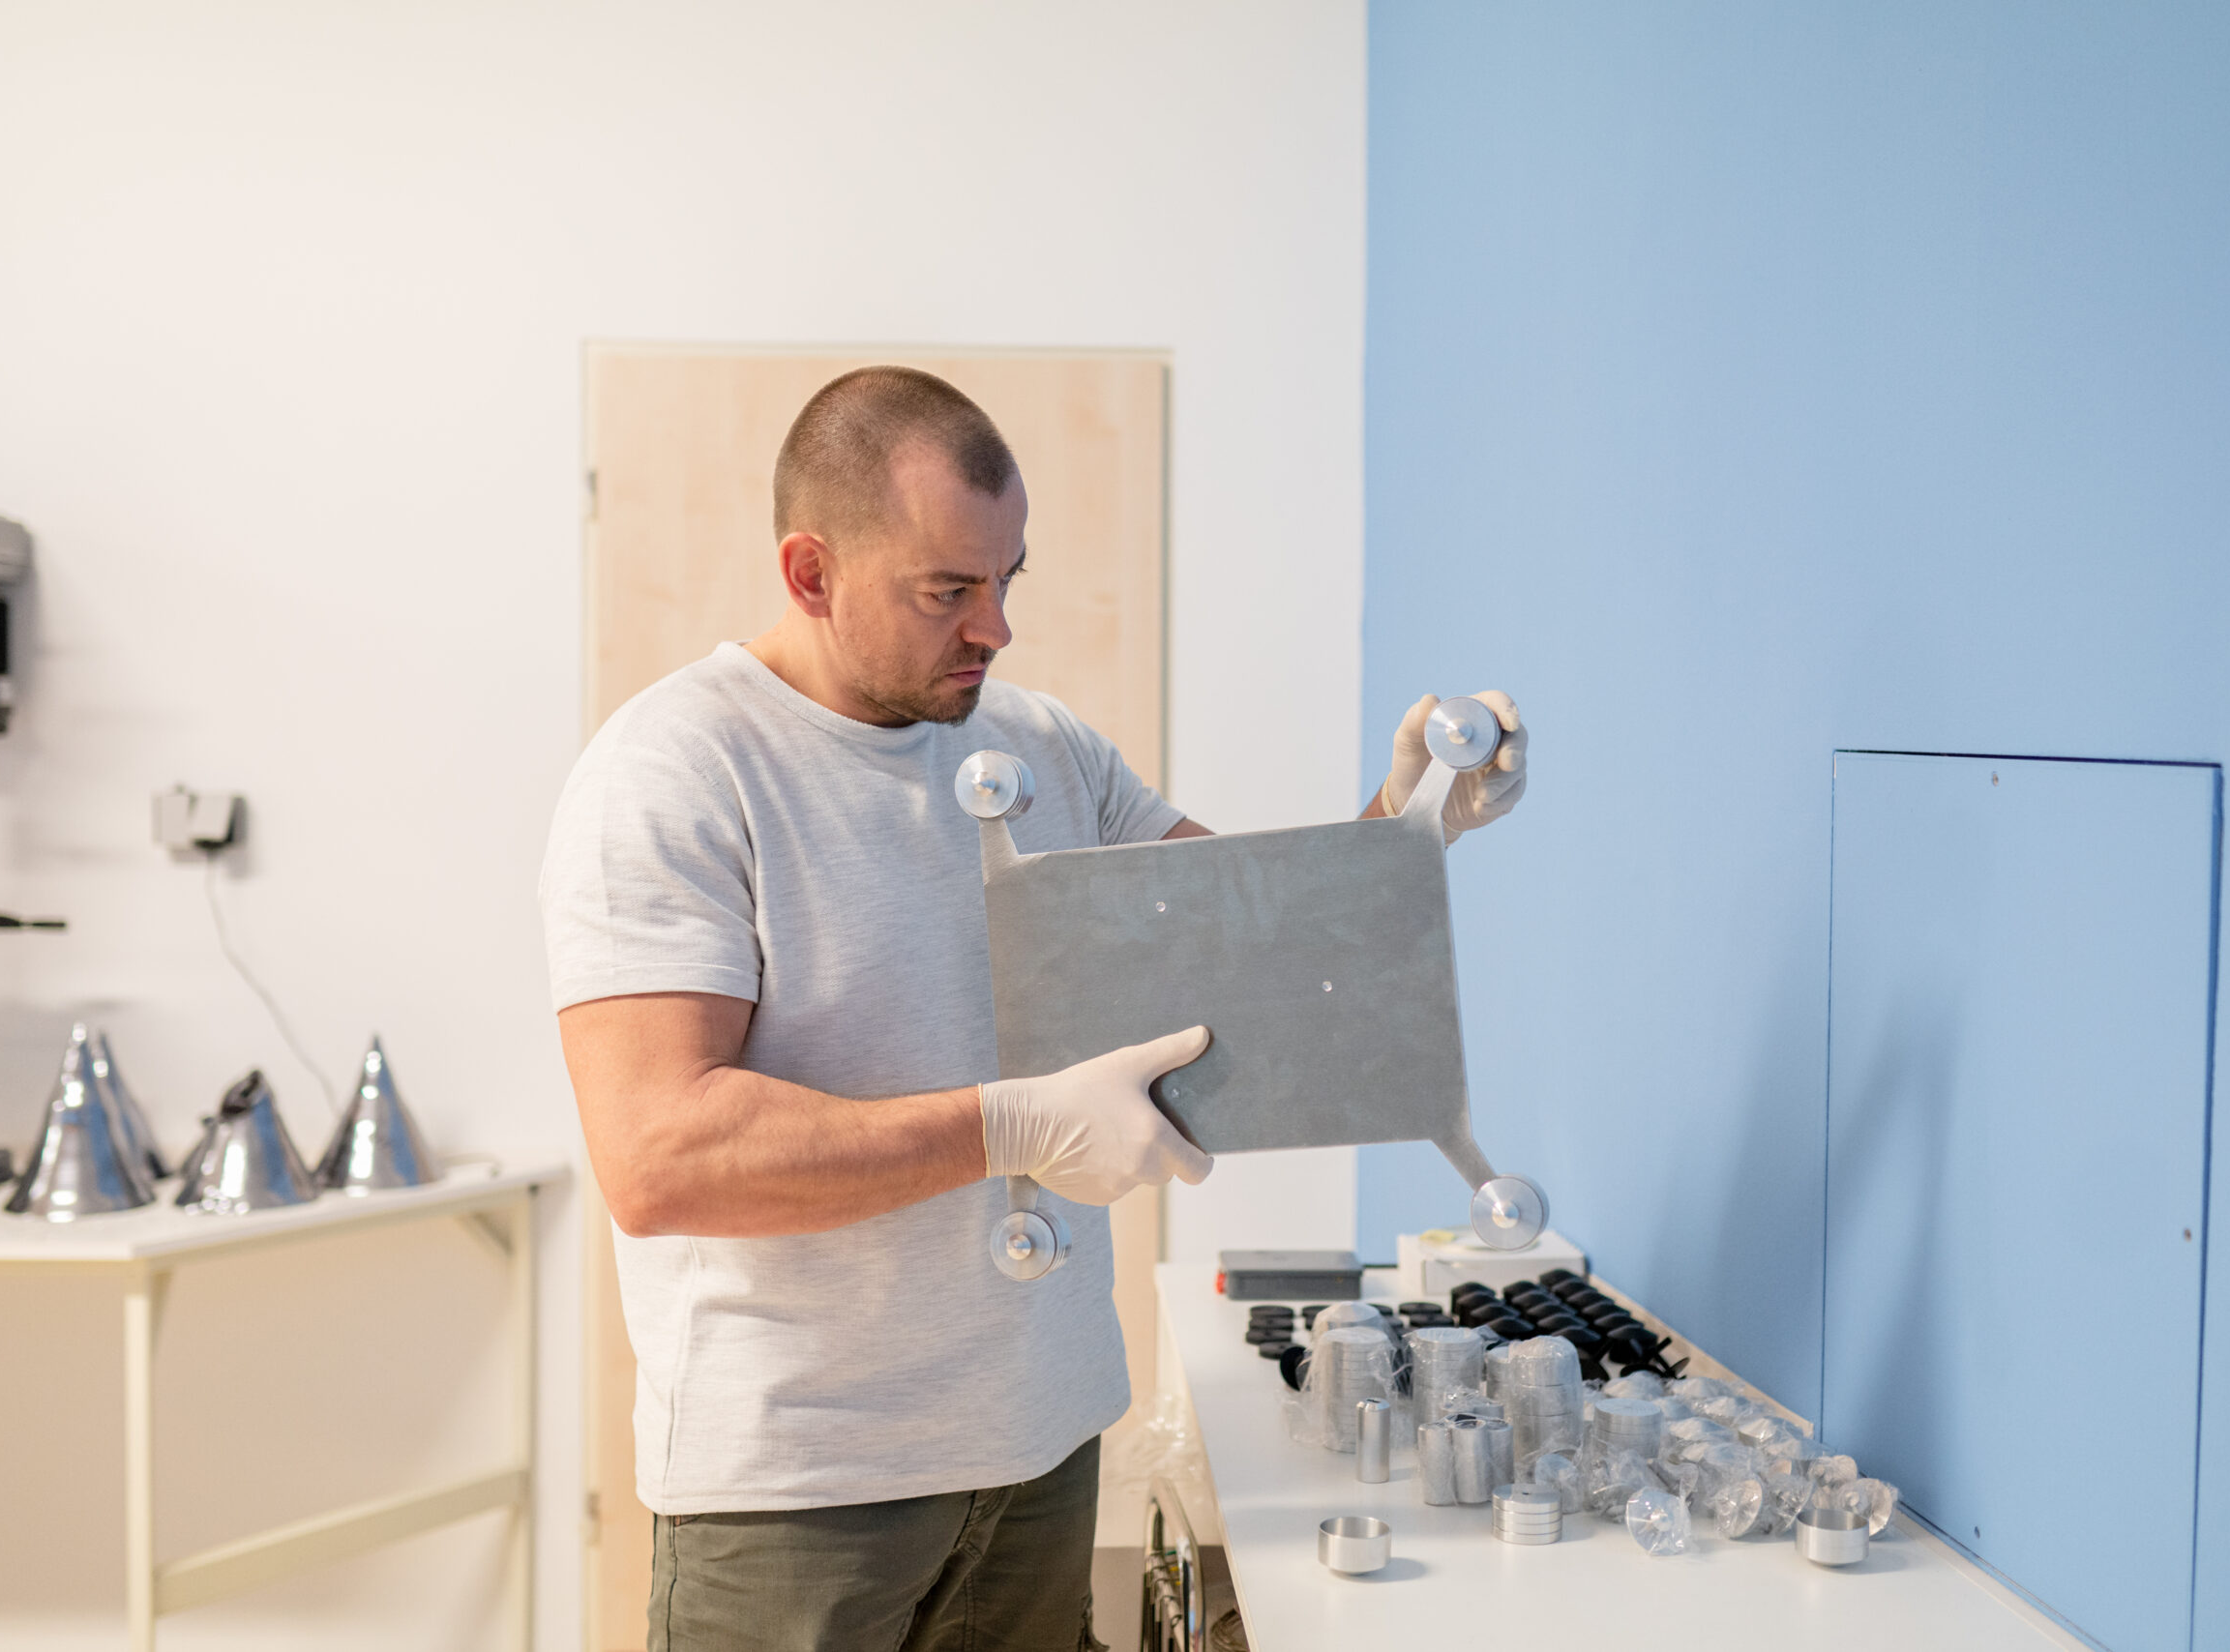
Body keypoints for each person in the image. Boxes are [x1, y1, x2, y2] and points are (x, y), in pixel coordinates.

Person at [540, 366, 1526, 1651]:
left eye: (1008, 579)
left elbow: (1268, 953)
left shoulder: (1045, 746)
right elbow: (661, 1157)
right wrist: (1011, 1126)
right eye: (947, 590)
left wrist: (1410, 827)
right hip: (801, 1491)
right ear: (810, 571)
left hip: (1041, 1449)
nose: (995, 626)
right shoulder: (674, 770)